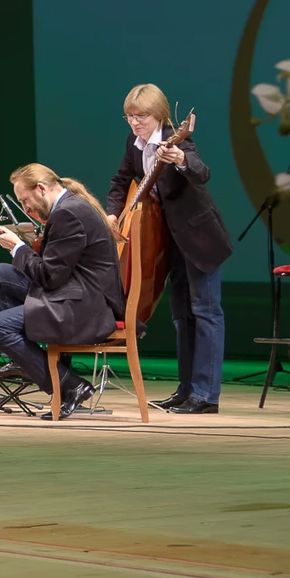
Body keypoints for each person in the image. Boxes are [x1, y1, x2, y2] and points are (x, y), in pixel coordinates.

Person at [104, 83, 232, 414]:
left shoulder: (179, 139)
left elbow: (202, 173)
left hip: (200, 238)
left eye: (141, 117)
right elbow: (120, 180)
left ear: (159, 114)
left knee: (206, 312)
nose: (135, 123)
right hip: (168, 241)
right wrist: (113, 213)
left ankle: (206, 396)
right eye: (129, 117)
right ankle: (186, 390)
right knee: (181, 316)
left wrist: (181, 160)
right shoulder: (134, 144)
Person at [0, 164, 125, 420]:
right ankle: (22, 360)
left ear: (41, 188)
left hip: (86, 307)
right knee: (1, 274)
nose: (25, 208)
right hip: (75, 292)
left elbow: (49, 277)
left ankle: (70, 385)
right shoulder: (71, 206)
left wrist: (18, 248)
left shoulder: (67, 213)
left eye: (25, 200)